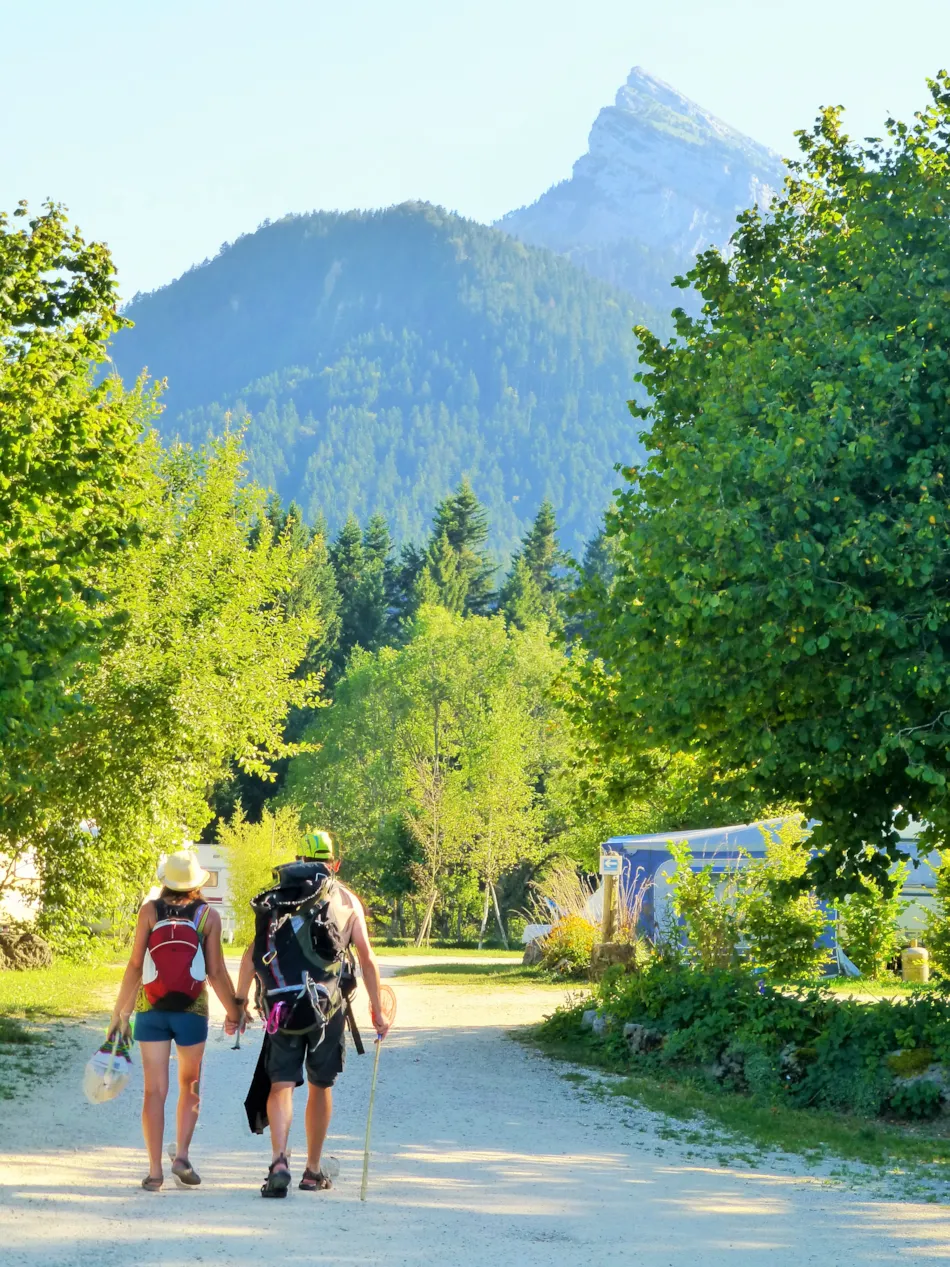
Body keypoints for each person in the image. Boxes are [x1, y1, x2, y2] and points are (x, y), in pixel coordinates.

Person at [228, 829, 391, 1196]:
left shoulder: (279, 896)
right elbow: (367, 958)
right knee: (320, 1085)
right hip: (326, 1010)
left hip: (280, 1007)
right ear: (335, 862)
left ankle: (279, 1162)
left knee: (281, 1085)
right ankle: (312, 1171)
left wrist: (238, 1004)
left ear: (299, 860)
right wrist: (378, 1011)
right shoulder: (347, 900)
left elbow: (251, 955)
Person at [109, 848, 243, 1191]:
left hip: (150, 1011)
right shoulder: (207, 916)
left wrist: (120, 1013)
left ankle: (155, 1172)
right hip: (191, 1014)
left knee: (154, 1091)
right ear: (196, 883)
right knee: (190, 1086)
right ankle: (181, 1155)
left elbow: (136, 966)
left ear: (165, 881)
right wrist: (235, 1011)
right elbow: (215, 972)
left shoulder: (149, 912)